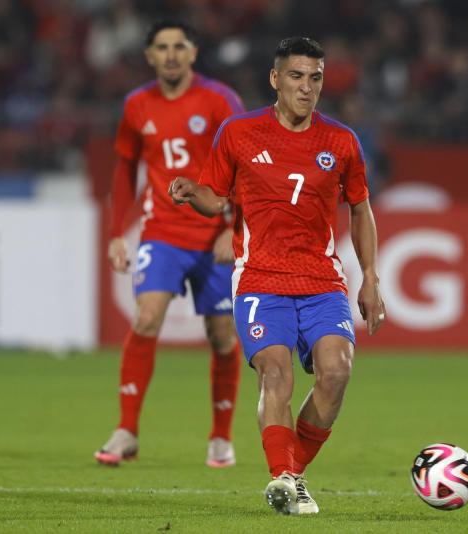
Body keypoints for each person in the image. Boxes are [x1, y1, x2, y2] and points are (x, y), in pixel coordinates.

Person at [170, 36, 386, 514]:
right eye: (296, 76)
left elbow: (360, 208)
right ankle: (283, 477)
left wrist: (370, 277)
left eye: (315, 78)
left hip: (321, 280)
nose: (307, 88)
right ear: (275, 79)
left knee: (336, 372)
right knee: (275, 372)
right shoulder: (239, 132)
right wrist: (192, 193)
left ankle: (292, 475)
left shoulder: (342, 141)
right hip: (260, 278)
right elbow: (216, 197)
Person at [94, 20, 245, 469]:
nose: (172, 54)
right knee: (145, 318)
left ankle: (220, 436)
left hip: (213, 233)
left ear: (194, 53)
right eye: (162, 47)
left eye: (180, 46)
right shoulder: (137, 105)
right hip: (161, 232)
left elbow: (245, 165)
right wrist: (117, 232)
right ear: (150, 56)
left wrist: (232, 227)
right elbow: (124, 170)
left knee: (221, 337)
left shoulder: (220, 100)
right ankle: (127, 430)